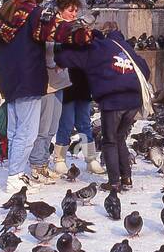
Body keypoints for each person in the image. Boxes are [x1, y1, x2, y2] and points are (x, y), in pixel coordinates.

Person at [55, 23, 150, 191]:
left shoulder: (96, 49)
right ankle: (126, 178)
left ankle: (114, 182)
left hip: (114, 100)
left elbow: (66, 59)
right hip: (134, 100)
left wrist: (62, 52)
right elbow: (145, 69)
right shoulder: (123, 46)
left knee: (110, 141)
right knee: (120, 138)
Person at [0, 0, 48, 194]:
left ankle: (17, 172)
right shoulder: (32, 15)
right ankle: (14, 177)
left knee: (14, 131)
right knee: (26, 133)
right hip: (29, 79)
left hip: (9, 81)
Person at [50, 0, 104, 176]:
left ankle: (90, 159)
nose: (74, 14)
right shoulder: (55, 30)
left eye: (76, 10)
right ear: (60, 10)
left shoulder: (82, 29)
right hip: (64, 81)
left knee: (84, 122)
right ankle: (59, 159)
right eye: (70, 10)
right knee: (65, 123)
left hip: (82, 80)